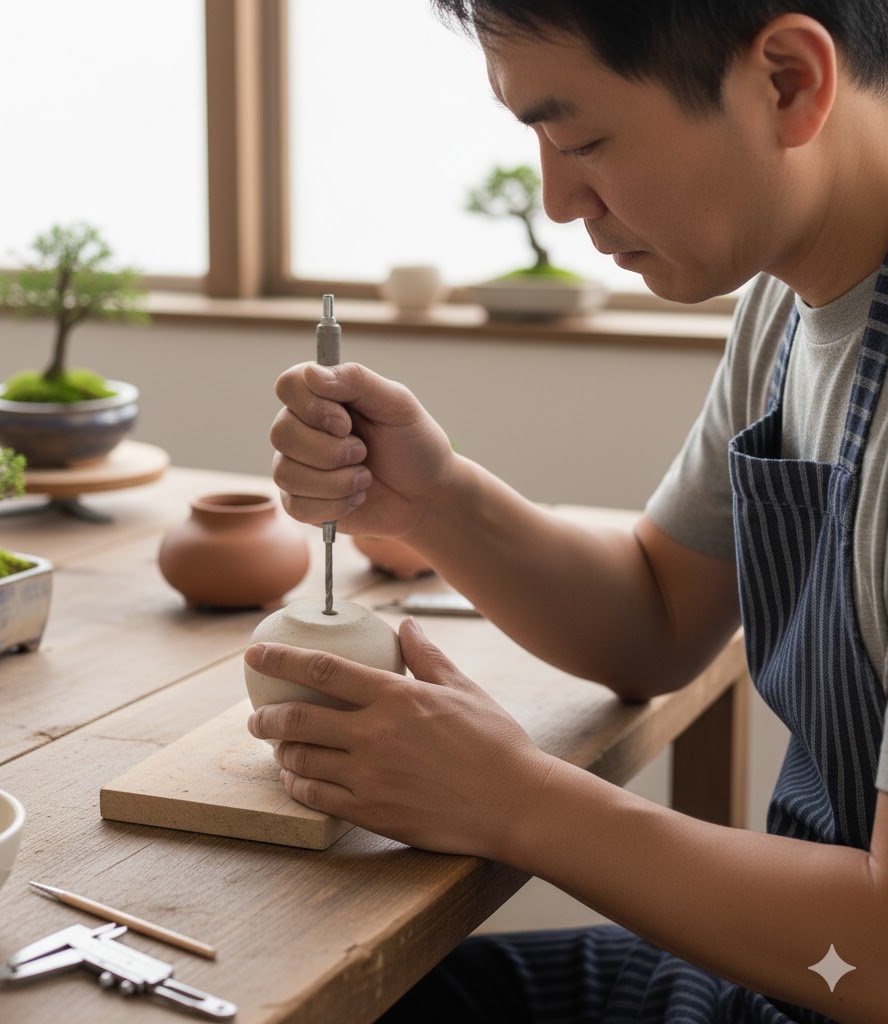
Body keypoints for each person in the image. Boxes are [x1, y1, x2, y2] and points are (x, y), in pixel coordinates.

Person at [244, 1, 888, 1020]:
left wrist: (514, 800)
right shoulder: (791, 296)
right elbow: (657, 619)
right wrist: (434, 499)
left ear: (787, 82)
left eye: (581, 140)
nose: (556, 202)